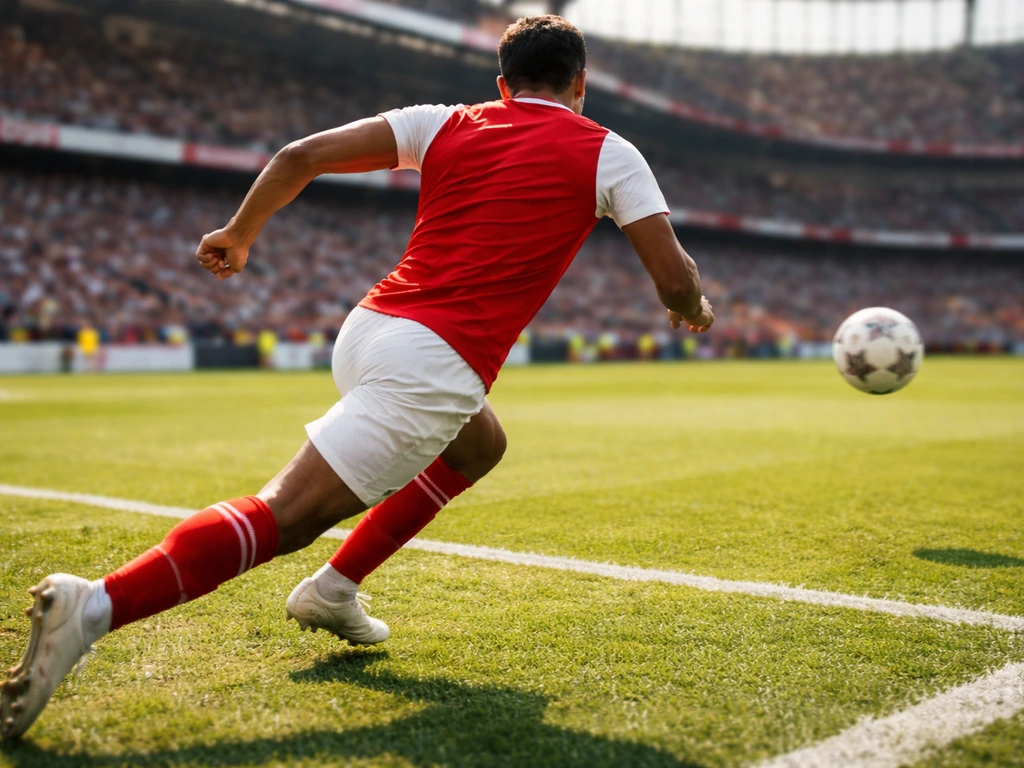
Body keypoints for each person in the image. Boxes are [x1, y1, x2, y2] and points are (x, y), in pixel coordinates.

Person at [0, 15, 713, 741]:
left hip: (370, 329)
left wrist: (239, 234)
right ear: (581, 84)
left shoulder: (442, 121)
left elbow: (299, 154)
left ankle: (335, 590)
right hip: (432, 362)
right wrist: (694, 307)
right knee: (289, 514)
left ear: (502, 84)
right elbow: (672, 278)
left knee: (478, 445)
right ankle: (93, 607)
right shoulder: (610, 153)